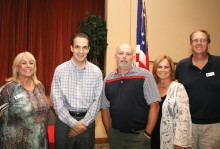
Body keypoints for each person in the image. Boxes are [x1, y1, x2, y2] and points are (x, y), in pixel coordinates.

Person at [101, 44, 161, 149]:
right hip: (116, 136)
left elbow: (155, 106)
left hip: (138, 138)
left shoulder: (145, 76)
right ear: (115, 57)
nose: (124, 56)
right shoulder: (108, 79)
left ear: (132, 58)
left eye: (128, 54)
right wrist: (109, 132)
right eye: (121, 53)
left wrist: (147, 134)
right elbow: (105, 108)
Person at [50, 33, 103, 149]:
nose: (81, 51)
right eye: (77, 47)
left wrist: (83, 124)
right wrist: (73, 123)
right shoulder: (60, 70)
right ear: (71, 48)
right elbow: (56, 101)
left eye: (84, 47)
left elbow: (97, 101)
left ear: (89, 49)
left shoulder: (96, 72)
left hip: (87, 124)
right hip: (64, 122)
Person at [175, 29, 220, 149]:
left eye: (203, 40)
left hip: (214, 126)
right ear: (190, 45)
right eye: (195, 40)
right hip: (188, 125)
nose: (199, 43)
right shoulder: (181, 66)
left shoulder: (219, 63)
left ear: (208, 44)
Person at [0, 52, 50, 148]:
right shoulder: (8, 89)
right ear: (17, 67)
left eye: (31, 63)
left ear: (34, 67)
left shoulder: (39, 86)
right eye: (24, 63)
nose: (28, 66)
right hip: (15, 144)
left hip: (40, 143)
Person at [152, 55, 192, 149]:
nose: (163, 70)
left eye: (166, 67)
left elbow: (184, 120)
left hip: (171, 140)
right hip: (151, 136)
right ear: (155, 69)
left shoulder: (178, 88)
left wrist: (179, 145)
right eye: (159, 67)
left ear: (171, 69)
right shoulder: (151, 87)